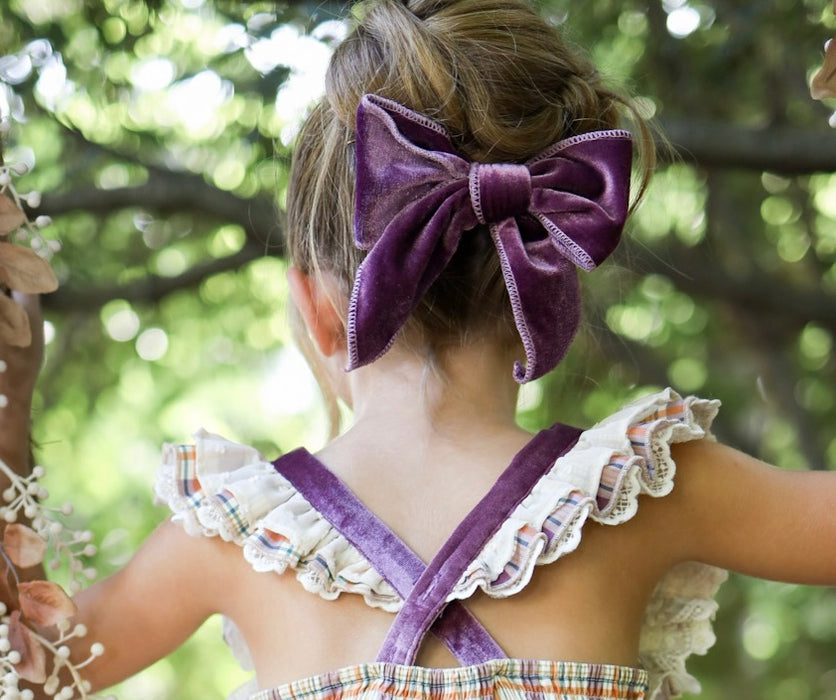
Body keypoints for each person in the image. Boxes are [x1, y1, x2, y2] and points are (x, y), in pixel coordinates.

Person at [2, 1, 836, 699]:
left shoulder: (232, 536)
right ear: (549, 287)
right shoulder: (648, 488)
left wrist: (9, 405)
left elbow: (27, 669)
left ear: (318, 310)